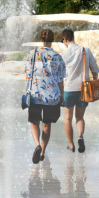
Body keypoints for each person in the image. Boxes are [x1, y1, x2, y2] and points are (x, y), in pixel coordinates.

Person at [24, 29, 66, 164]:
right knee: (47, 125)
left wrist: (27, 91)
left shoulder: (32, 54)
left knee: (34, 122)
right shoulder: (57, 57)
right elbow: (60, 79)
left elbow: (27, 74)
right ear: (52, 40)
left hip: (35, 94)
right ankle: (42, 152)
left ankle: (37, 144)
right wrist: (62, 96)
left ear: (41, 40)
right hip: (52, 96)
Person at [60, 29, 99, 153]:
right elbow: (94, 67)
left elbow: (60, 72)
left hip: (69, 89)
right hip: (84, 89)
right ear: (73, 37)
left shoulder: (64, 53)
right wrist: (94, 80)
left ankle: (71, 145)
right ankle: (80, 137)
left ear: (65, 39)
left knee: (67, 118)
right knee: (80, 117)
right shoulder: (85, 50)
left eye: (63, 40)